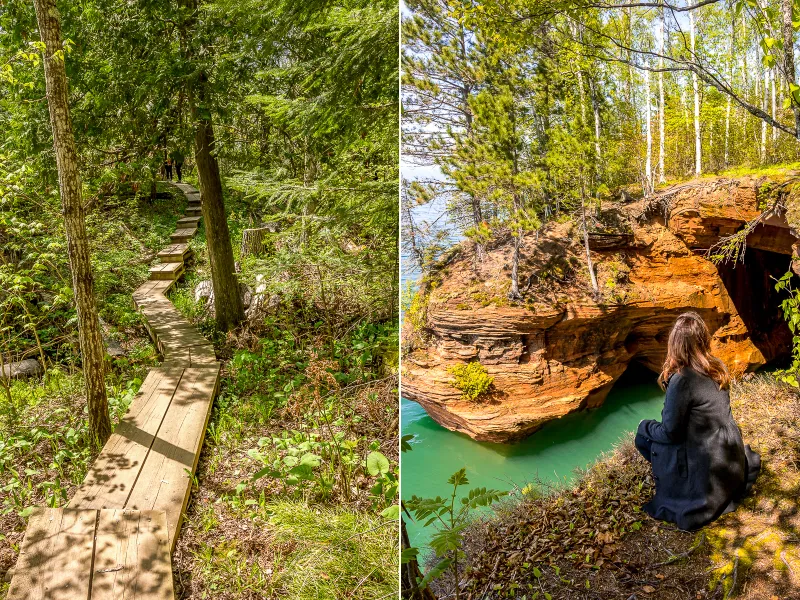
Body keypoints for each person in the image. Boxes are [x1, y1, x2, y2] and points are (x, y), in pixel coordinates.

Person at [635, 312, 760, 531]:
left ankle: (680, 486)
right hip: (729, 458)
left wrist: (644, 425)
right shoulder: (716, 366)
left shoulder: (683, 379)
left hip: (708, 468)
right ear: (703, 339)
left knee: (642, 437)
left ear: (674, 344)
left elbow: (670, 432)